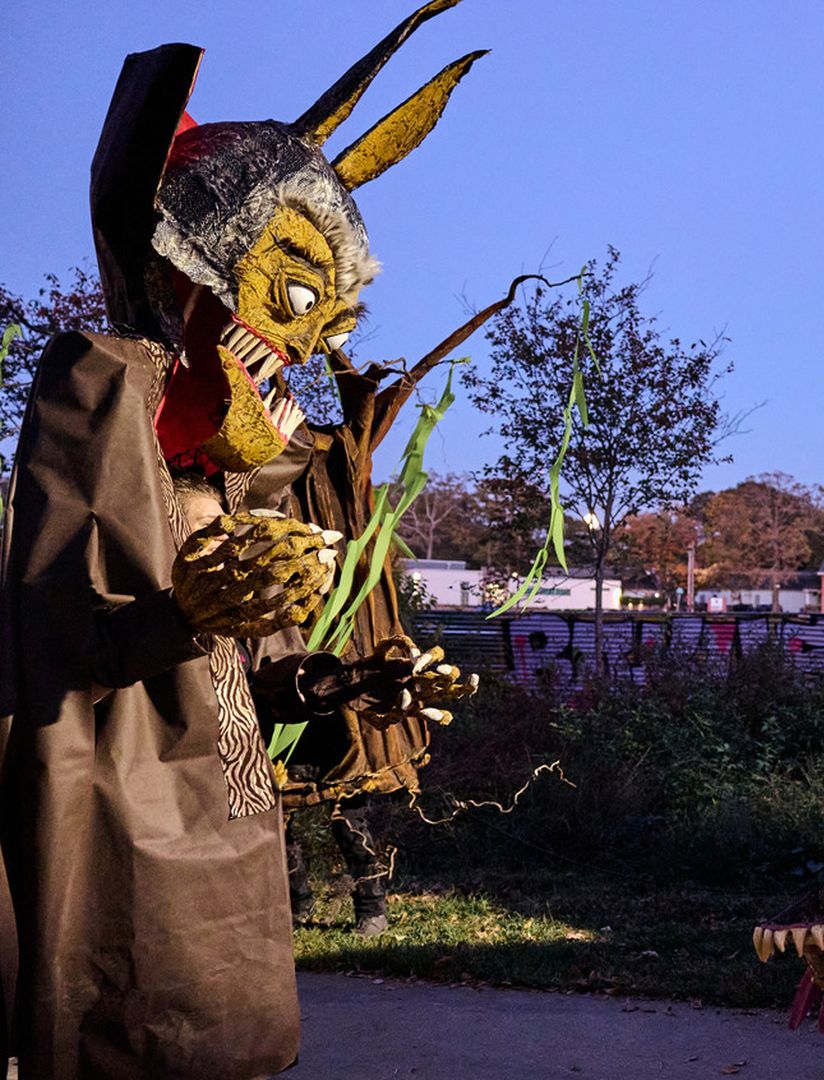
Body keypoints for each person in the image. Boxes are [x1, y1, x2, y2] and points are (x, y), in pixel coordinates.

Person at [0, 5, 484, 1076]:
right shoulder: (97, 395)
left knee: (230, 1042)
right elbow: (55, 645)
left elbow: (240, 691)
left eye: (330, 320)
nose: (302, 348)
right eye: (295, 294)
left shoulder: (226, 483)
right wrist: (187, 612)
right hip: (129, 848)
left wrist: (345, 683)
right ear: (190, 268)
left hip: (228, 852)